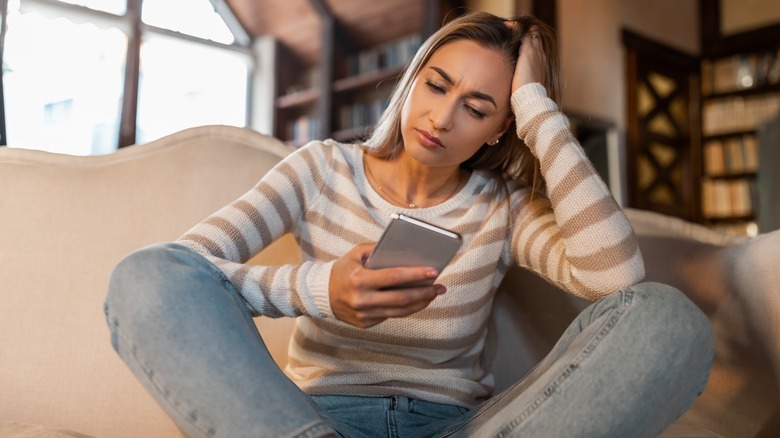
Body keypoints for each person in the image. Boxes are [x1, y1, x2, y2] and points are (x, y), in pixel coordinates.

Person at [104, 11, 713, 438]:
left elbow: (615, 278)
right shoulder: (320, 169)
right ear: (412, 77)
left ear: (500, 129)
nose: (442, 118)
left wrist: (537, 110)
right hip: (313, 421)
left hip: (462, 427)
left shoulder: (500, 206)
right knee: (142, 273)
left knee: (666, 315)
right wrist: (321, 291)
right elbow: (183, 273)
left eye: (477, 109)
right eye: (437, 85)